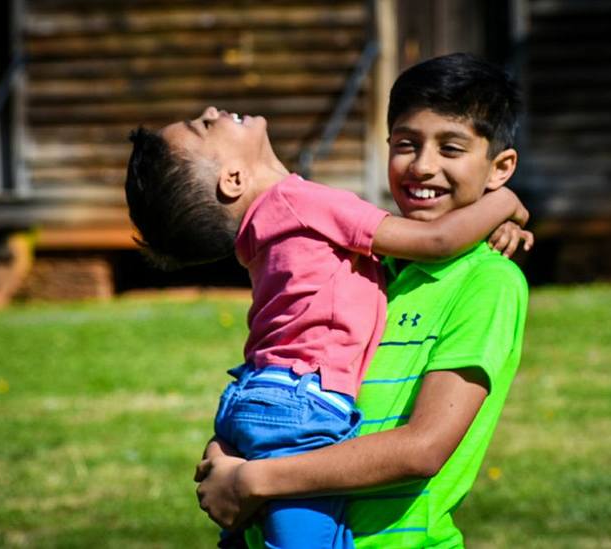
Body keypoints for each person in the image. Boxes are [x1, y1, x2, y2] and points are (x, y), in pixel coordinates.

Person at [125, 85, 531, 547]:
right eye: (404, 144)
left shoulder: (478, 281)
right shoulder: (319, 216)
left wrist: (250, 479)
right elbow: (437, 240)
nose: (422, 165)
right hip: (294, 404)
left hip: (257, 399)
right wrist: (504, 204)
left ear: (500, 167)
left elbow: (423, 449)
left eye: (451, 147)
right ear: (232, 179)